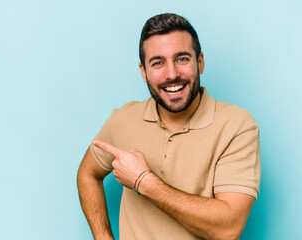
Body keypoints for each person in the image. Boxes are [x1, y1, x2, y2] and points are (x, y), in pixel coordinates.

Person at [77, 13, 261, 240]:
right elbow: (87, 174)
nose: (172, 74)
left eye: (182, 59)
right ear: (143, 72)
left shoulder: (237, 126)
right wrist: (103, 236)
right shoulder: (122, 120)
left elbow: (228, 229)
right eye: (158, 63)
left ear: (200, 62)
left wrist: (144, 181)